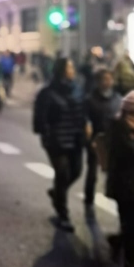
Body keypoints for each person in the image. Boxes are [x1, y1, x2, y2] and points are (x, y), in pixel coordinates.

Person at [33, 57, 86, 232]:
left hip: (76, 138)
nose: (72, 70)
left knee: (76, 171)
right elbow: (40, 119)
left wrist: (86, 127)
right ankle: (63, 214)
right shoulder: (47, 93)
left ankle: (57, 193)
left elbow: (82, 111)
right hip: (56, 141)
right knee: (62, 174)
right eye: (69, 67)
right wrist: (47, 137)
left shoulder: (77, 89)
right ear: (61, 69)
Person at [84, 69, 122, 224]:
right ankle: (89, 200)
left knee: (114, 174)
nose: (107, 82)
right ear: (98, 81)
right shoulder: (90, 99)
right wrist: (87, 126)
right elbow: (84, 117)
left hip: (113, 142)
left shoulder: (118, 99)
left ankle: (114, 197)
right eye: (104, 79)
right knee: (92, 172)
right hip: (96, 140)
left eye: (109, 79)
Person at [106, 91, 134, 267]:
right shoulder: (118, 125)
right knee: (130, 225)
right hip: (124, 186)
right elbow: (125, 152)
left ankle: (118, 242)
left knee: (130, 226)